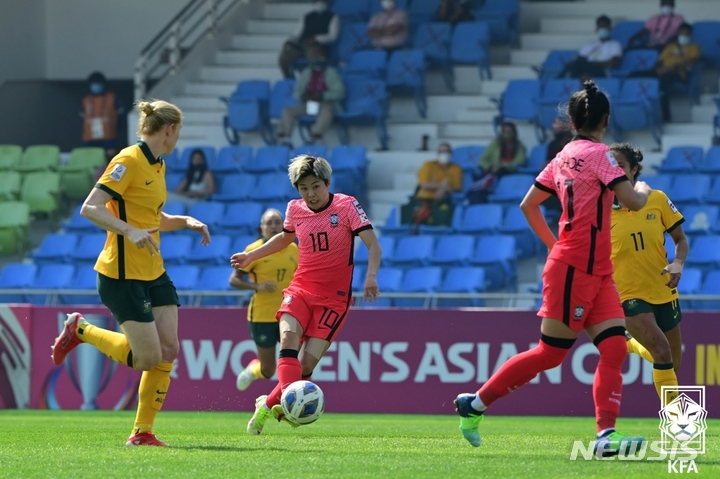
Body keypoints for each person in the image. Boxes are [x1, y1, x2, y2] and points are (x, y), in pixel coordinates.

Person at [454, 80, 652, 457]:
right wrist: (641, 189)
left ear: (573, 119)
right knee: (550, 354)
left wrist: (553, 245)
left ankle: (604, 438)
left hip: (596, 270)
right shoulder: (601, 155)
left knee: (613, 348)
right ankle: (474, 404)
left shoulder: (563, 156)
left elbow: (529, 205)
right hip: (575, 269)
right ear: (606, 120)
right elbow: (632, 201)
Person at [51, 99, 211, 447]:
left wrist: (184, 221)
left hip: (154, 272)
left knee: (169, 349)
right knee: (148, 358)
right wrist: (127, 231)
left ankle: (142, 433)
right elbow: (90, 207)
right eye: (178, 131)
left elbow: (152, 218)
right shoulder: (128, 160)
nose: (178, 137)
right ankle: (81, 329)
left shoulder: (158, 165)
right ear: (169, 129)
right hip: (121, 275)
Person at [230, 154, 381, 435]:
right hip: (300, 288)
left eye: (315, 186)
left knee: (306, 366)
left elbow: (373, 245)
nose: (310, 194)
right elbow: (285, 238)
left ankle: (266, 407)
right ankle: (285, 406)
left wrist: (370, 277)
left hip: (334, 299)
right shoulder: (294, 209)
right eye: (304, 188)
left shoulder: (347, 206)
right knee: (287, 339)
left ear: (327, 183)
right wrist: (251, 256)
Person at [609, 143, 688, 406]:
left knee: (672, 362)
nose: (614, 170)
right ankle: (676, 421)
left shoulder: (657, 199)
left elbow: (680, 239)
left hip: (663, 288)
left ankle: (630, 344)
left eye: (620, 165)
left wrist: (678, 262)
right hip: (628, 295)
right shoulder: (599, 210)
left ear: (633, 170)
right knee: (662, 351)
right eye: (610, 166)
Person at [231, 208, 299, 391]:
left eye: (278, 222)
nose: (274, 226)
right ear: (262, 228)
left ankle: (288, 399)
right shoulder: (254, 251)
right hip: (262, 316)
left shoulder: (293, 249)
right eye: (269, 223)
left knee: (294, 363)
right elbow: (234, 280)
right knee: (268, 370)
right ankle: (254, 369)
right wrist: (258, 287)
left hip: (288, 314)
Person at [276, 53, 345, 147]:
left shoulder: (331, 72)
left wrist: (321, 95)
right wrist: (303, 96)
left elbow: (339, 92)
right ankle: (286, 139)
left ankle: (313, 137)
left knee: (328, 110)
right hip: (309, 104)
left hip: (325, 103)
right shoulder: (307, 72)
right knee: (288, 110)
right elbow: (297, 92)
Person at [400, 142, 463, 232]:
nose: (445, 154)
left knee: (445, 212)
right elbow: (424, 184)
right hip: (423, 199)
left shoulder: (456, 168)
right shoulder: (428, 165)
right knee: (410, 211)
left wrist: (443, 189)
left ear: (451, 154)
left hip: (443, 200)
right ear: (437, 154)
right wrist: (443, 186)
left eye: (447, 151)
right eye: (442, 151)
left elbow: (456, 189)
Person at [465, 122, 526, 204]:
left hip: (508, 172)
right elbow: (482, 160)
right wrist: (491, 167)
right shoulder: (495, 144)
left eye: (509, 131)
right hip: (492, 170)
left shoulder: (519, 147)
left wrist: (502, 165)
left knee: (498, 172)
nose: (507, 134)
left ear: (514, 132)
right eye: (505, 131)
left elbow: (520, 161)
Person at [278, 0, 339, 79]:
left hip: (318, 46)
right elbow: (296, 34)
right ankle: (289, 80)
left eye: (322, 1)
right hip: (301, 46)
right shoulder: (307, 17)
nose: (320, 4)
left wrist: (316, 39)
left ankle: (312, 83)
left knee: (315, 58)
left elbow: (333, 36)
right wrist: (289, 40)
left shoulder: (333, 18)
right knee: (283, 58)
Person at [655, 23, 701, 122]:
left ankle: (666, 117)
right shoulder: (670, 47)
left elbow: (692, 62)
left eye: (686, 34)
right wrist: (661, 68)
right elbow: (659, 62)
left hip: (678, 74)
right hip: (663, 72)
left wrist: (674, 67)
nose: (683, 36)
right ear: (677, 34)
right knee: (639, 75)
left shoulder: (694, 47)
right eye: (681, 34)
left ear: (691, 35)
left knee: (662, 84)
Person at [81, 71, 123, 160]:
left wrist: (118, 129)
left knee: (109, 162)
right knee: (91, 161)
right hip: (89, 138)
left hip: (109, 137)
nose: (95, 86)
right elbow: (82, 119)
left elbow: (120, 116)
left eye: (98, 83)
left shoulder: (112, 98)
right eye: (93, 84)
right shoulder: (86, 100)